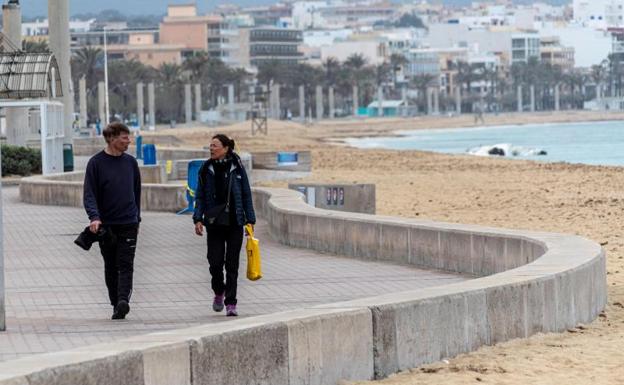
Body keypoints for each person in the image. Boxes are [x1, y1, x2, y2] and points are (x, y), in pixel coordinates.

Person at [83, 122, 141, 320]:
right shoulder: (96, 163)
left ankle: (123, 300)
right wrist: (94, 217)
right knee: (111, 264)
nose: (128, 142)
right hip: (106, 225)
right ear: (112, 138)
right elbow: (89, 194)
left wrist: (137, 219)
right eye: (125, 138)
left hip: (129, 223)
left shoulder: (131, 163)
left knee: (126, 263)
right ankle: (115, 302)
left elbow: (136, 192)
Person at [193, 134, 256, 317]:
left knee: (232, 265)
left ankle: (231, 302)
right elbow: (200, 196)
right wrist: (198, 218)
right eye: (210, 146)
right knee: (214, 263)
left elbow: (246, 194)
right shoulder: (206, 169)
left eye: (215, 145)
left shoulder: (237, 167)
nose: (211, 148)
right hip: (214, 223)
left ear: (226, 148)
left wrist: (250, 220)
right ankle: (219, 291)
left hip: (235, 222)